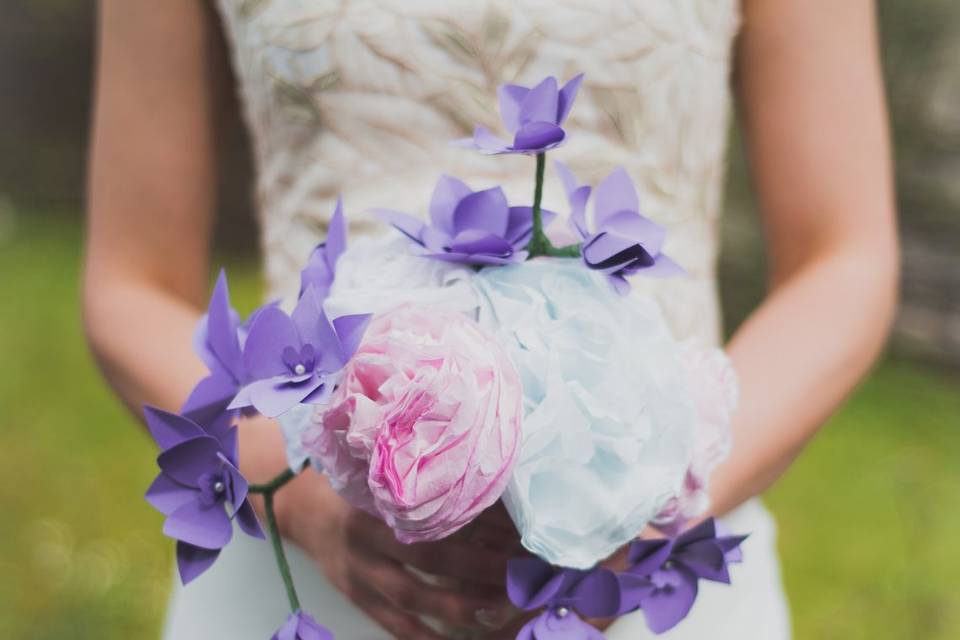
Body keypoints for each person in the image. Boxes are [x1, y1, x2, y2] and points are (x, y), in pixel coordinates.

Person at [83, 1, 898, 638]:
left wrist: (649, 502)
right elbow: (129, 284)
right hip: (302, 559)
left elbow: (844, 258)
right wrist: (296, 499)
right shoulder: (299, 511)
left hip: (651, 569)